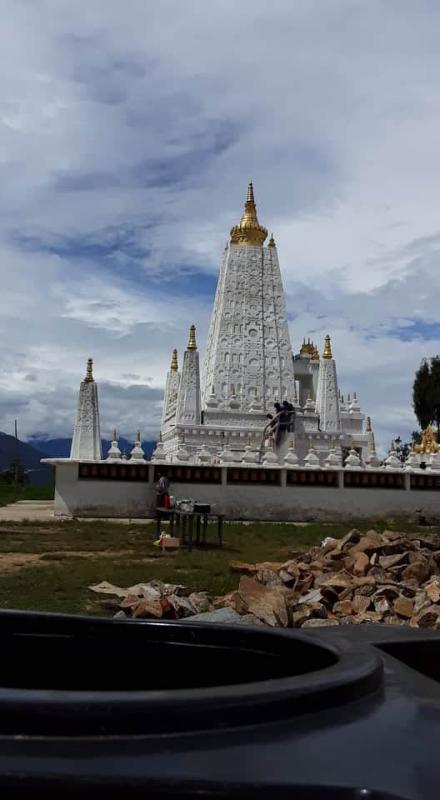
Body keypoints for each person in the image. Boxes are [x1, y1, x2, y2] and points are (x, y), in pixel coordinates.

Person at [155, 471, 170, 536]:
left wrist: (157, 487)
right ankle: (164, 516)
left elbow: (161, 488)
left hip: (161, 495)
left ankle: (159, 517)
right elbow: (168, 486)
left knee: (160, 507)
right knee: (164, 506)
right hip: (165, 494)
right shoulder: (166, 479)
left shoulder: (162, 479)